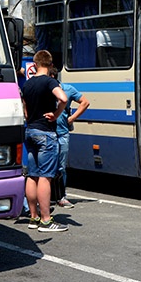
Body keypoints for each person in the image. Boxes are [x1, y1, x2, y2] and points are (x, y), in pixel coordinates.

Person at [21, 50, 69, 232]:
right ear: (50, 65)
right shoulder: (50, 81)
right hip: (45, 133)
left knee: (32, 175)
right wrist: (56, 114)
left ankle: (33, 217)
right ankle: (46, 220)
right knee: (45, 177)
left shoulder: (27, 84)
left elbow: (25, 110)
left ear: (34, 64)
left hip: (30, 131)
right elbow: (63, 98)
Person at [49, 66, 90, 209]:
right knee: (48, 166)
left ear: (53, 78)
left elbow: (85, 102)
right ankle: (49, 196)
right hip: (48, 132)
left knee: (61, 166)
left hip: (62, 132)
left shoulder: (68, 89)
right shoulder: (45, 90)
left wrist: (72, 118)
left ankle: (61, 196)